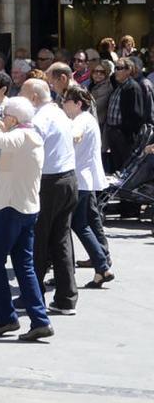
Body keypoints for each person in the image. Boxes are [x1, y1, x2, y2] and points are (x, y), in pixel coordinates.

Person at [0, 97, 54, 342]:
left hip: (10, 208)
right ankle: (39, 319)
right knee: (24, 265)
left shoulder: (22, 137)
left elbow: (5, 140)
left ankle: (6, 318)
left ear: (13, 118)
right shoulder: (28, 135)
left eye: (5, 116)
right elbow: (7, 139)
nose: (2, 119)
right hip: (23, 207)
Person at [20, 78, 79, 315]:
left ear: (33, 97)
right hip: (67, 180)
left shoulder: (40, 118)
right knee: (60, 240)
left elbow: (27, 148)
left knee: (38, 241)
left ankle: (33, 296)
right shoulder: (59, 113)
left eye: (23, 95)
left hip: (49, 183)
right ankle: (66, 298)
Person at [62, 86, 114, 288]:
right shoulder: (86, 119)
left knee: (75, 225)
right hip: (84, 180)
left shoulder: (81, 120)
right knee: (82, 224)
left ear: (77, 104)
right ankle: (102, 268)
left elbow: (75, 135)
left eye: (66, 100)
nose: (63, 104)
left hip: (78, 179)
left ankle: (101, 266)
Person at [105, 57, 144, 171]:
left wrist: (125, 132)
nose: (116, 71)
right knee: (116, 165)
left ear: (128, 70)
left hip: (123, 135)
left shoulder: (133, 87)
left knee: (125, 166)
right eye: (115, 68)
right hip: (112, 131)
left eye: (119, 68)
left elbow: (136, 115)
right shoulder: (118, 85)